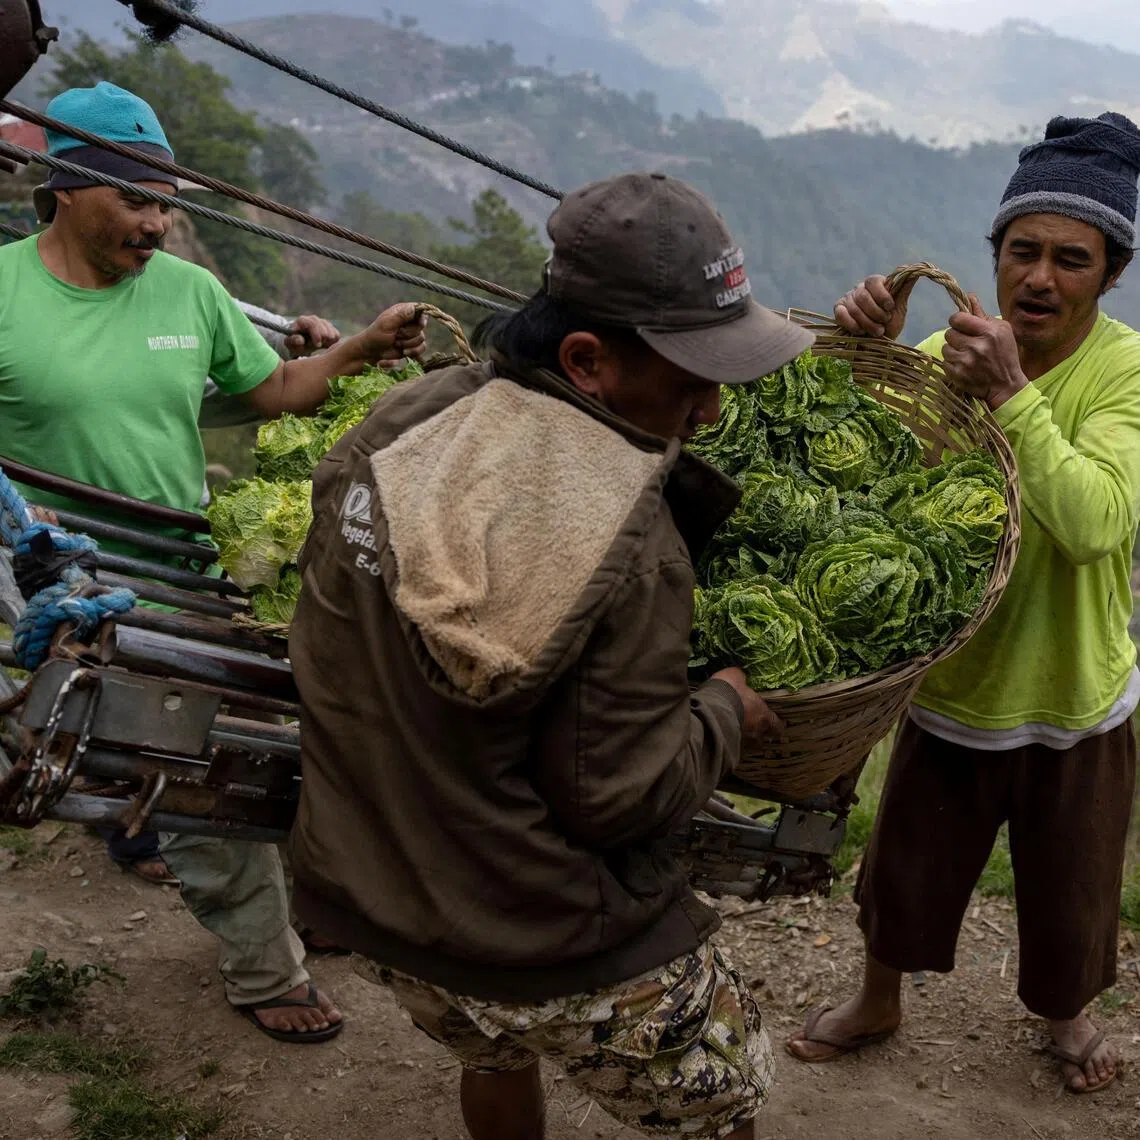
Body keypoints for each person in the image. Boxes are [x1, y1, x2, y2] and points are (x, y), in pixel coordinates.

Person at [289, 171, 809, 1140]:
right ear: (585, 361)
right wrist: (726, 709)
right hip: (529, 935)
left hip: (373, 893)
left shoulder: (403, 422)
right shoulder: (633, 542)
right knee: (726, 1095)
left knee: (489, 1045)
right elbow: (616, 795)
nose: (710, 413)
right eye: (693, 381)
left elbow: (324, 633)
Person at [0, 80, 426, 1043]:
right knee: (190, 756)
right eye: (136, 201)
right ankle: (263, 968)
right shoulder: (3, 295)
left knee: (266, 731)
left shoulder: (189, 294)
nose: (156, 224)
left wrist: (358, 349)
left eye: (165, 204)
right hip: (57, 578)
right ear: (66, 185)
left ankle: (179, 837)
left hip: (184, 561)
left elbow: (271, 386)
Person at [787, 111, 1140, 1095]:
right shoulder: (951, 349)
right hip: (957, 680)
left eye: (1072, 259)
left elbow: (1098, 522)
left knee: (1071, 883)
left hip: (1073, 688)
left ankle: (1065, 1017)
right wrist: (862, 364)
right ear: (994, 255)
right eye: (1021, 251)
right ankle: (878, 996)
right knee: (907, 868)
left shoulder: (1127, 372)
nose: (1039, 276)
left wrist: (1015, 397)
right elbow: (869, 494)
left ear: (1111, 274)